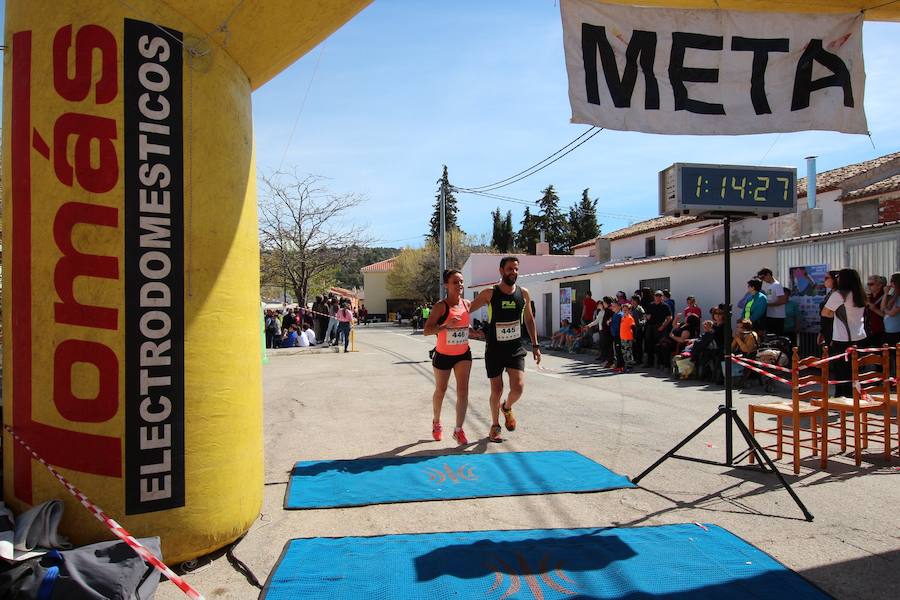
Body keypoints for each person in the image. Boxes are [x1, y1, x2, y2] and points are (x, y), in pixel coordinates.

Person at [469, 256, 541, 443]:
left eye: (516, 269)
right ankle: (495, 426)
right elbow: (466, 310)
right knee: (497, 388)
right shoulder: (489, 293)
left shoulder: (523, 293)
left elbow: (529, 320)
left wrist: (535, 345)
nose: (513, 272)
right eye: (510, 269)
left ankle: (507, 407)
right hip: (494, 349)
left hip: (515, 348)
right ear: (501, 271)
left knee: (518, 387)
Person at [423, 269, 472, 445]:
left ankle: (458, 430)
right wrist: (445, 325)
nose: (459, 285)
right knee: (441, 390)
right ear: (446, 285)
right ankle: (436, 422)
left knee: (463, 391)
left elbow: (464, 326)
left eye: (461, 281)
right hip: (443, 355)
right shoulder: (440, 306)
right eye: (455, 282)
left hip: (463, 354)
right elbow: (427, 331)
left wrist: (474, 331)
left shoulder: (466, 304)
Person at [821, 268, 867, 397]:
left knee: (841, 372)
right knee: (855, 371)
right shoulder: (860, 294)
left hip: (842, 338)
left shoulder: (839, 294)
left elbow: (825, 312)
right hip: (859, 336)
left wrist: (835, 315)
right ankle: (854, 396)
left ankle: (843, 399)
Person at [643, 291, 673, 368]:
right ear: (654, 296)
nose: (658, 297)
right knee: (649, 345)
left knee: (659, 345)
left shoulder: (665, 306)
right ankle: (650, 363)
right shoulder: (650, 305)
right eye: (656, 295)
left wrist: (663, 326)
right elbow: (646, 315)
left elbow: (669, 318)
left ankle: (661, 363)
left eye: (660, 296)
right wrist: (647, 317)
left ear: (662, 297)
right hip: (650, 326)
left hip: (660, 327)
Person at [881, 273, 900, 377]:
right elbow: (883, 307)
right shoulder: (893, 295)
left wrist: (885, 310)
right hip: (889, 330)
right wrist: (885, 294)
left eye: (892, 281)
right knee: (890, 356)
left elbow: (892, 312)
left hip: (897, 331)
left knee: (896, 356)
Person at [757, 268, 786, 335]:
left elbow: (782, 300)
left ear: (768, 274)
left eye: (763, 277)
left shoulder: (777, 285)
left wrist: (767, 305)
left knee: (777, 339)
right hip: (770, 316)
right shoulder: (770, 286)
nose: (763, 280)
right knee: (770, 338)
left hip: (777, 317)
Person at [817, 270, 840, 348]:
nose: (824, 280)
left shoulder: (838, 294)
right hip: (827, 329)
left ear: (835, 279)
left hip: (835, 332)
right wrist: (822, 331)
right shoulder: (831, 292)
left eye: (826, 278)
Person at [865, 275, 886, 348]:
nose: (869, 286)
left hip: (881, 331)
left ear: (879, 285)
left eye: (871, 284)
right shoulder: (868, 297)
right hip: (868, 331)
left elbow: (886, 315)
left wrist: (874, 309)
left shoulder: (885, 297)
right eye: (868, 284)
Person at [619, 302, 637, 372]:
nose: (624, 312)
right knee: (624, 352)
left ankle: (630, 366)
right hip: (622, 337)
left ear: (629, 311)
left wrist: (634, 337)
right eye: (623, 310)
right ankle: (626, 365)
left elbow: (634, 328)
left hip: (628, 338)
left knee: (628, 352)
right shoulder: (623, 317)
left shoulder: (630, 318)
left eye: (626, 310)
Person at [609, 300, 623, 371]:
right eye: (612, 306)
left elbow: (619, 326)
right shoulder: (614, 314)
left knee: (619, 351)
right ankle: (618, 364)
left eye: (614, 306)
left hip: (618, 335)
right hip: (614, 335)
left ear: (619, 307)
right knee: (616, 351)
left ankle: (620, 365)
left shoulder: (620, 315)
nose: (612, 308)